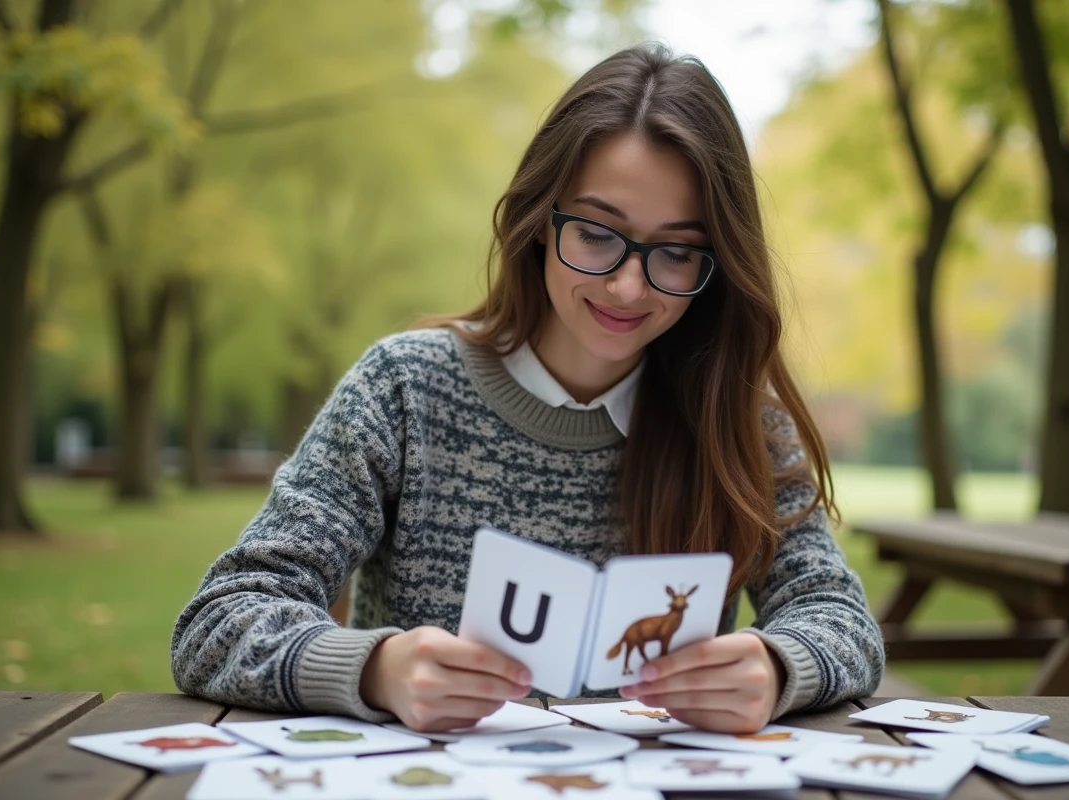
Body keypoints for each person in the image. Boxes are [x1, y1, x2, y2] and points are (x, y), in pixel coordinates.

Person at [171, 44, 884, 735]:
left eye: (675, 251)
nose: (628, 285)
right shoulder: (403, 391)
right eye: (599, 234)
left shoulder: (737, 421)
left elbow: (839, 618)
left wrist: (775, 664)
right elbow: (219, 620)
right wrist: (376, 669)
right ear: (540, 221)